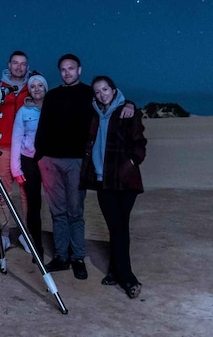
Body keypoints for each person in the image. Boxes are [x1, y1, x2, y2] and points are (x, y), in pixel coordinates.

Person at [34, 53, 134, 280]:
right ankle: (61, 255)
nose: (67, 72)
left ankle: (78, 256)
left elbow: (113, 101)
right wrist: (40, 155)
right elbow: (44, 126)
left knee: (75, 211)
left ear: (79, 70)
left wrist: (130, 103)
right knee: (57, 211)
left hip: (77, 161)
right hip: (50, 161)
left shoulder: (91, 93)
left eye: (71, 68)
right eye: (63, 69)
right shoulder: (53, 95)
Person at [80, 76, 146, 299]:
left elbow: (139, 144)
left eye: (105, 89)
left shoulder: (127, 112)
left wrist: (131, 163)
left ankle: (125, 277)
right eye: (97, 92)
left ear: (114, 90)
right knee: (117, 227)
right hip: (103, 181)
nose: (102, 94)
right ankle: (117, 271)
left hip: (125, 182)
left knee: (119, 227)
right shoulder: (94, 115)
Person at [0, 50, 31, 251]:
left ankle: (25, 234)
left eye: (23, 64)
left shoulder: (33, 87)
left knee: (26, 194)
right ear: (9, 65)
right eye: (15, 63)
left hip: (26, 149)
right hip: (4, 147)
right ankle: (4, 234)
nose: (19, 67)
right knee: (4, 194)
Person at [10, 72, 48, 259]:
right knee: (34, 204)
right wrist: (15, 168)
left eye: (40, 85)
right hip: (29, 161)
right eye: (32, 86)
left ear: (45, 87)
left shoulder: (53, 108)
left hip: (48, 161)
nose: (36, 89)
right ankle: (37, 247)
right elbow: (17, 139)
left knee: (57, 204)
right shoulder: (24, 111)